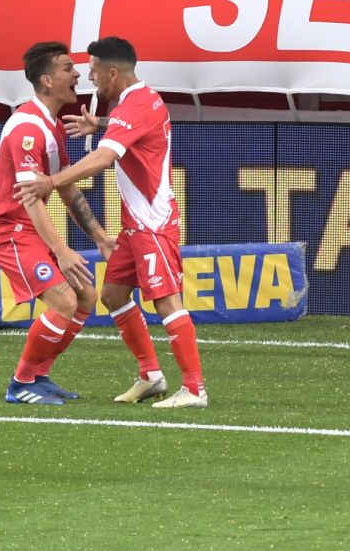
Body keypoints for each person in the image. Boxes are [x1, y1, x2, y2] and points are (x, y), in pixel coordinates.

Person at [17, 37, 209, 408]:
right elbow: (133, 128)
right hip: (134, 227)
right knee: (113, 295)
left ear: (113, 73)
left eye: (93, 71)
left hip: (152, 223)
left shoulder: (135, 105)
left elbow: (104, 158)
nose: (89, 78)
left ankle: (194, 389)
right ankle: (150, 376)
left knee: (167, 301)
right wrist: (102, 123)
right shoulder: (141, 101)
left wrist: (51, 181)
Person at [0, 42, 115, 405]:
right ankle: (20, 383)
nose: (77, 74)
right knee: (64, 301)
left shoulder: (52, 127)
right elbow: (30, 197)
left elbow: (67, 190)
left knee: (86, 297)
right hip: (7, 232)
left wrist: (100, 237)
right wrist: (61, 248)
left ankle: (38, 376)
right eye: (68, 69)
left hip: (29, 230)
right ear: (46, 80)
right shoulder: (27, 128)